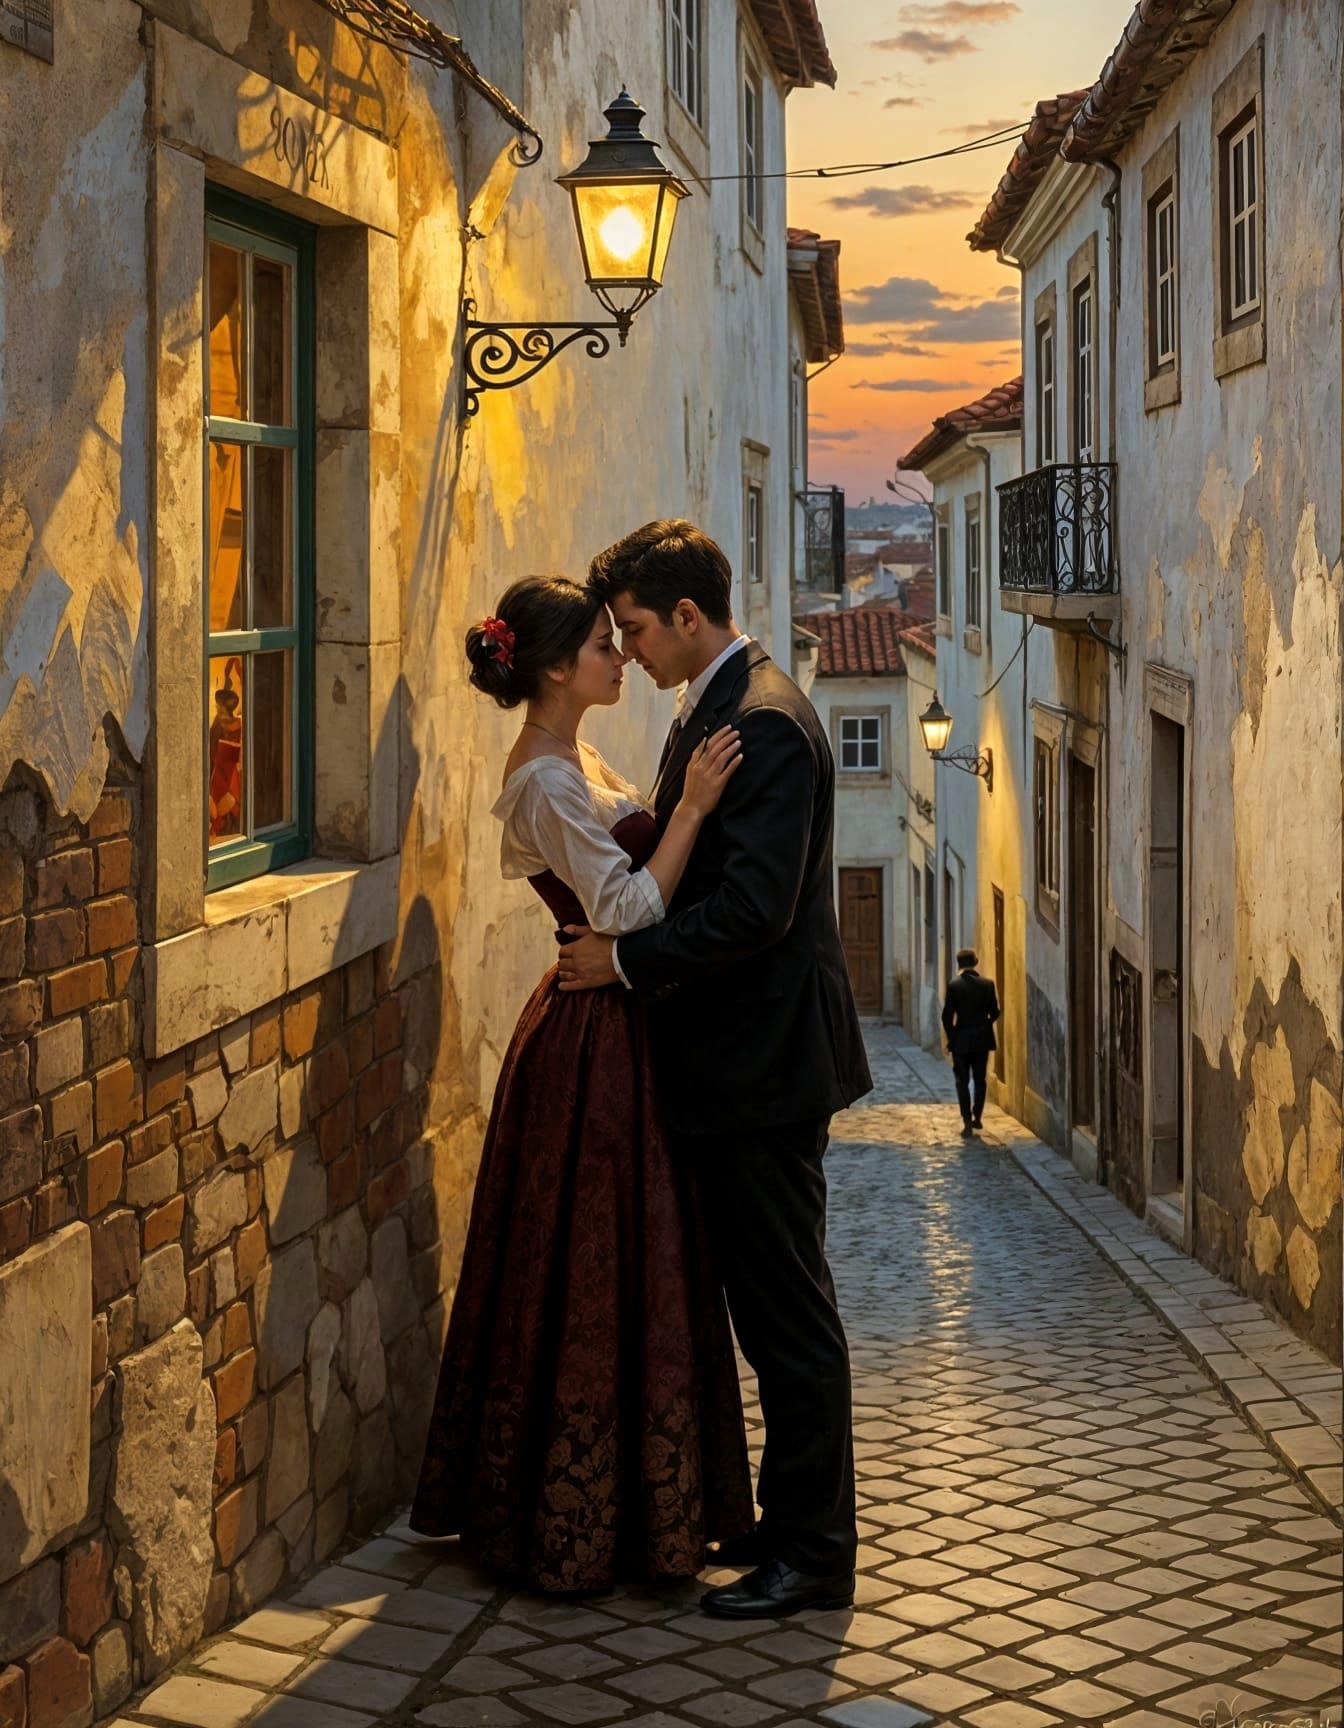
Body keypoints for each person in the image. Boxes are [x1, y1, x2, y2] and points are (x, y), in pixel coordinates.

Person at [410, 576, 755, 1593]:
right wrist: (692, 809)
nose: (621, 659)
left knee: (643, 1254)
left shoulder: (576, 760)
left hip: (621, 1017)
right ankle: (580, 1520)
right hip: (594, 1034)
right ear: (558, 668)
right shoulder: (544, 783)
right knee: (598, 1255)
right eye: (606, 645)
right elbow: (628, 908)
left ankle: (647, 1512)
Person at [558, 520, 873, 1620]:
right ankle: (788, 1530)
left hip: (766, 1066)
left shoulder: (765, 721)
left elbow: (753, 910)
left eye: (637, 629)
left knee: (788, 1315)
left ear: (689, 617)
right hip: (736, 1064)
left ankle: (816, 1556)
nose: (629, 650)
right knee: (766, 1309)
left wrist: (623, 962)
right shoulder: (716, 706)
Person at [942, 947, 1001, 1136]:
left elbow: (947, 1016)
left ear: (958, 964)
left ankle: (966, 1120)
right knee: (980, 1079)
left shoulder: (954, 986)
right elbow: (995, 1012)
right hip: (982, 1039)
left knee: (962, 1081)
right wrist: (985, 1023)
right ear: (976, 962)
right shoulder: (988, 984)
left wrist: (952, 1037)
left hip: (961, 1040)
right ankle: (978, 1116)